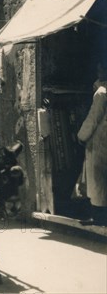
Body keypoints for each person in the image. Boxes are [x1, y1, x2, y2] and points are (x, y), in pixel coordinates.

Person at [77, 58, 107, 226]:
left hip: (100, 141)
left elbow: (93, 119)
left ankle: (99, 217)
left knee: (98, 181)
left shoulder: (102, 92)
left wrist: (82, 136)